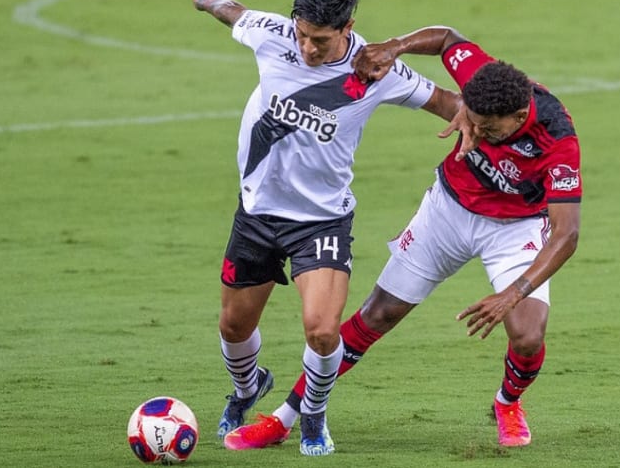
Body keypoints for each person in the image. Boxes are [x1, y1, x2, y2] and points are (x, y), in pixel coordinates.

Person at [225, 25, 582, 450]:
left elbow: (566, 234)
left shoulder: (557, 140)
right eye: (474, 120)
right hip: (447, 211)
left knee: (527, 334)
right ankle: (285, 418)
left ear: (520, 117)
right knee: (377, 315)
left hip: (516, 228)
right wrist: (396, 47)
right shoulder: (485, 81)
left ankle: (507, 403)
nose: (477, 132)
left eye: (489, 128)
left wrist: (514, 293)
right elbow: (448, 38)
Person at [192, 0, 472, 456]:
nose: (306, 49)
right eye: (301, 35)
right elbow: (228, 11)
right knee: (233, 327)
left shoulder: (375, 69)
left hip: (321, 220)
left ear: (347, 29)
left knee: (322, 331)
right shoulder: (272, 34)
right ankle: (245, 390)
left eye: (319, 40)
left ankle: (313, 416)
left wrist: (476, 109)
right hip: (257, 213)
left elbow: (445, 101)